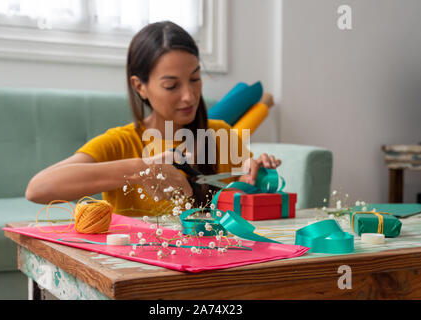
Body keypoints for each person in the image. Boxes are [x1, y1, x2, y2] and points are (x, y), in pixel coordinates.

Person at [25, 21, 281, 216]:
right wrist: (140, 168)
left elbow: (245, 195)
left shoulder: (220, 135)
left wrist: (256, 177)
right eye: (171, 86)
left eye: (195, 79)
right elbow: (37, 188)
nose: (189, 96)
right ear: (140, 87)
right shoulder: (121, 143)